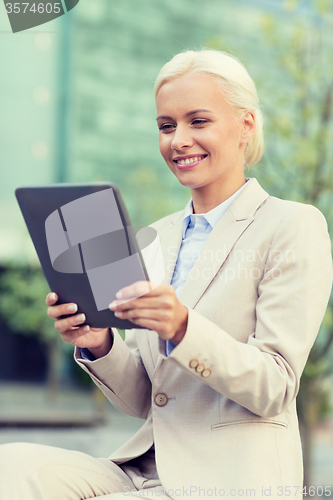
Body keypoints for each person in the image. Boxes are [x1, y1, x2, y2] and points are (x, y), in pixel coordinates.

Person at [0, 49, 332, 500]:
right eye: (166, 125)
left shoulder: (292, 224)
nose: (178, 140)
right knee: (11, 468)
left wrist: (182, 327)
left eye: (198, 121)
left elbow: (274, 386)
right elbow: (145, 398)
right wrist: (98, 342)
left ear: (246, 126)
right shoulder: (156, 237)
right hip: (144, 468)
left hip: (230, 478)